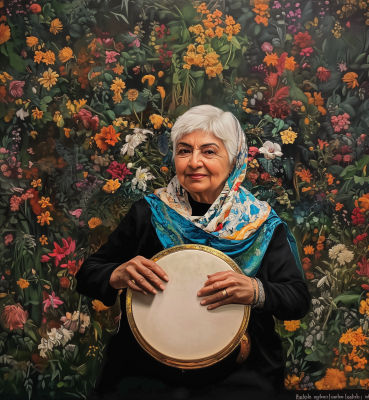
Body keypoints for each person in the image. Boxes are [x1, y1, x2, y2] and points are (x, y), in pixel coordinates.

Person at [75, 105, 311, 400]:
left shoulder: (261, 224)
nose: (194, 163)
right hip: (145, 371)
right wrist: (116, 274)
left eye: (209, 152)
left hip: (238, 375)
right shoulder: (150, 212)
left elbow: (298, 299)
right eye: (184, 151)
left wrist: (255, 290)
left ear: (234, 160)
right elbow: (87, 275)